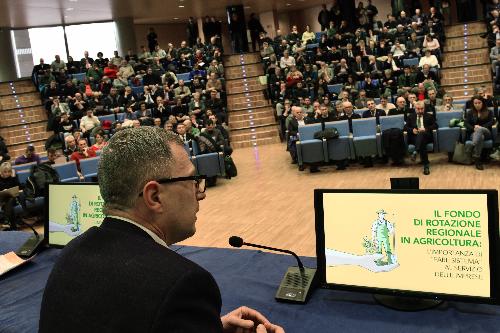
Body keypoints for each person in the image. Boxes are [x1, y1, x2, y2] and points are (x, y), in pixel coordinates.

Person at [39, 127, 284, 333]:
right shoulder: (182, 284)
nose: (201, 192)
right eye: (191, 180)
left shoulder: (72, 252)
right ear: (154, 196)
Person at [464, 96, 495, 170]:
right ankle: (477, 159)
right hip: (474, 134)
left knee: (480, 130)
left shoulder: (489, 111)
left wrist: (480, 127)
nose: (477, 104)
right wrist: (474, 128)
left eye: (479, 103)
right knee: (480, 137)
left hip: (486, 132)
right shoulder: (470, 112)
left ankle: (473, 144)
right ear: (473, 104)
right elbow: (466, 123)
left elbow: (492, 122)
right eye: (475, 103)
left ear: (482, 103)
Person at [406, 101, 436, 175]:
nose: (420, 111)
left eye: (422, 109)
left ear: (424, 108)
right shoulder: (411, 116)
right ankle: (426, 165)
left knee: (422, 133)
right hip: (415, 137)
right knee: (422, 143)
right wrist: (412, 130)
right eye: (418, 109)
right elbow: (405, 127)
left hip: (427, 136)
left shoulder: (429, 116)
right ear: (415, 109)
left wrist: (425, 129)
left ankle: (416, 151)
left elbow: (435, 125)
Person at [0, 162, 21, 230]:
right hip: (2, 201)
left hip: (13, 200)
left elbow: (19, 187)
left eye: (9, 171)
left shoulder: (13, 178)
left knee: (10, 200)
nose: (7, 173)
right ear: (1, 171)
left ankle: (7, 221)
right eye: (5, 172)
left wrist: (14, 177)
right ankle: (13, 226)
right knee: (9, 203)